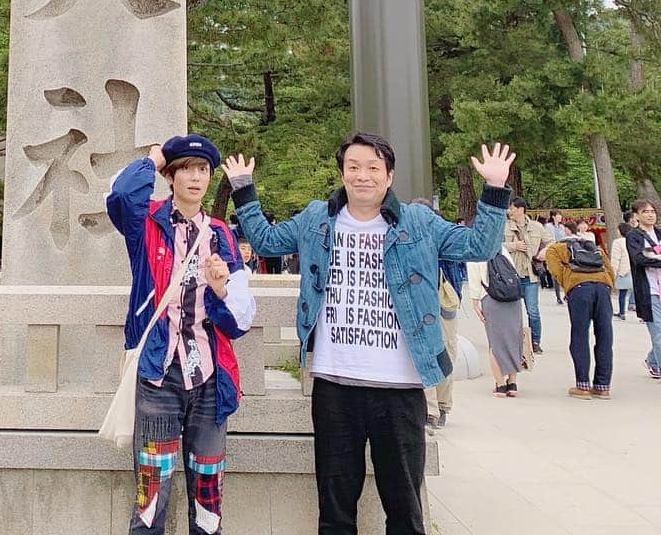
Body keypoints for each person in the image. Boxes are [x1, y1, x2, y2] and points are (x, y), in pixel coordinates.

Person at [228, 132, 513, 535]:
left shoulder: (419, 222)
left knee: (404, 508)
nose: (363, 176)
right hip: (334, 384)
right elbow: (266, 241)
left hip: (399, 388)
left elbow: (479, 245)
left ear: (389, 176)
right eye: (353, 167)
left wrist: (495, 188)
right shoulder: (316, 218)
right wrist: (244, 188)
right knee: (335, 507)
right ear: (343, 173)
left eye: (373, 168)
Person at [107, 134, 255, 535]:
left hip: (210, 378)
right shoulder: (147, 224)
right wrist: (154, 159)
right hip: (159, 374)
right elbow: (120, 195)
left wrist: (221, 288)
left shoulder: (222, 235)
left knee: (208, 499)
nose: (195, 177)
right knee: (151, 496)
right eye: (184, 169)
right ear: (170, 177)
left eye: (202, 170)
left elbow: (240, 321)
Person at [545, 229, 615, 398]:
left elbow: (555, 270)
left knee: (580, 335)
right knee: (605, 336)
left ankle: (583, 385)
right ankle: (602, 386)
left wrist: (570, 283)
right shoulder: (594, 247)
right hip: (603, 288)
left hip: (579, 289)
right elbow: (610, 270)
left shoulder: (555, 248)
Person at [412, 198, 460, 431]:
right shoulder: (445, 231)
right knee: (444, 351)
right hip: (445, 299)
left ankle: (435, 408)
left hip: (435, 299)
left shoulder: (426, 234)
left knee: (434, 353)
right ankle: (439, 406)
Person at [467, 246, 524, 398]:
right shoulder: (501, 248)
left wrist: (474, 302)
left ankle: (500, 385)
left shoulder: (475, 249)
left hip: (491, 297)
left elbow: (474, 279)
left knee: (496, 342)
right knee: (513, 339)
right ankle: (512, 383)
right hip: (513, 299)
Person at [504, 196, 551, 354]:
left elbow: (551, 242)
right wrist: (514, 245)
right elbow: (495, 245)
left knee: (533, 310)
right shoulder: (504, 227)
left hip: (530, 275)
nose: (509, 211)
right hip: (511, 275)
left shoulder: (537, 227)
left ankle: (535, 341)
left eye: (511, 208)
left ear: (520, 209)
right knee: (513, 312)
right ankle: (515, 342)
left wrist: (543, 252)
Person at [626, 199, 661, 379]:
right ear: (637, 215)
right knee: (658, 332)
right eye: (646, 212)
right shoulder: (634, 236)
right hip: (649, 291)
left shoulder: (659, 233)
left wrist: (654, 257)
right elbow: (639, 259)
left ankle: (653, 361)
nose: (650, 214)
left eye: (652, 211)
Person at [610, 223, 633, 320]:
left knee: (622, 293)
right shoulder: (633, 241)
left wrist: (613, 272)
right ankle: (643, 316)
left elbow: (616, 259)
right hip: (634, 270)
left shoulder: (618, 242)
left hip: (623, 271)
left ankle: (622, 312)